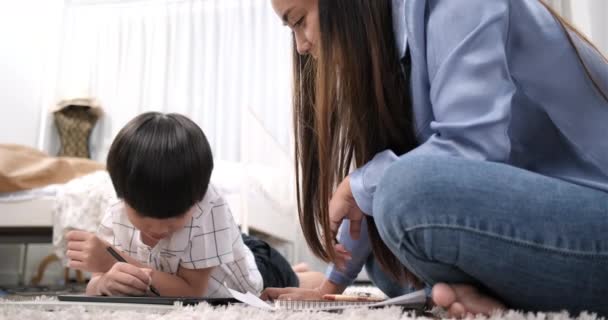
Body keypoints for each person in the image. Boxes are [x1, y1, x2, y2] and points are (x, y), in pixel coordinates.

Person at [263, 0, 608, 317]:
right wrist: (330, 288)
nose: (301, 45)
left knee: (401, 193)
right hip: (541, 224)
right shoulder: (393, 39)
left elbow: (470, 154)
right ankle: (466, 297)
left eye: (298, 22)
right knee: (384, 254)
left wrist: (361, 183)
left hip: (595, 210)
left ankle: (459, 295)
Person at [65, 112, 318, 297]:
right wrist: (103, 283)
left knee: (299, 283)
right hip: (211, 254)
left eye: (173, 219)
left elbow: (192, 291)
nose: (158, 230)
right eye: (143, 217)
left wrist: (113, 261)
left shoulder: (208, 205)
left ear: (198, 200)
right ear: (123, 199)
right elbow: (96, 283)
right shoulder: (117, 210)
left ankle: (301, 272)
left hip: (252, 268)